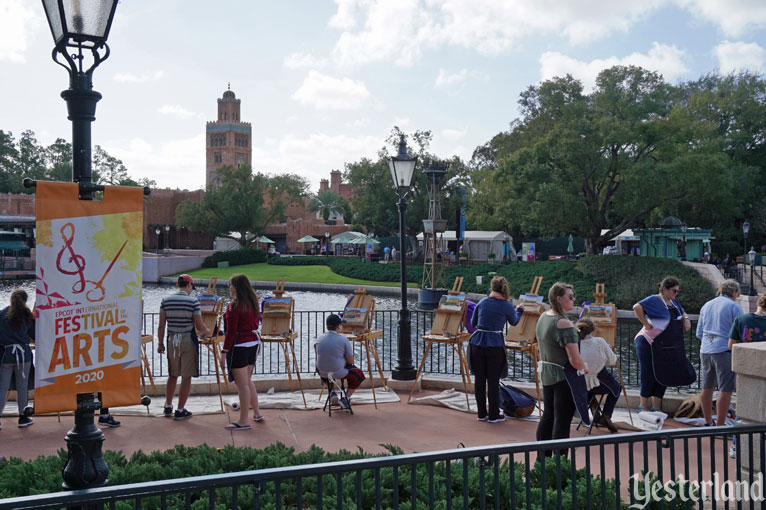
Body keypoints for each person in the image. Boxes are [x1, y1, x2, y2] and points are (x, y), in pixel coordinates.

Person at [536, 282, 588, 444]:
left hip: (547, 374)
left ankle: (542, 459)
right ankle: (560, 462)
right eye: (570, 297)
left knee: (549, 415)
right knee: (562, 420)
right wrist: (585, 367)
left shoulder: (544, 317)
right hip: (564, 377)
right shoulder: (564, 324)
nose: (574, 300)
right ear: (559, 299)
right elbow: (575, 360)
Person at [632, 277, 692, 412]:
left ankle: (656, 406)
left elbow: (682, 312)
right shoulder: (654, 299)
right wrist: (646, 324)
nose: (676, 294)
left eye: (677, 291)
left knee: (664, 373)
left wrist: (686, 319)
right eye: (674, 291)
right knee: (648, 372)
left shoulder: (674, 302)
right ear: (665, 289)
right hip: (647, 341)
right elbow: (637, 307)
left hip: (664, 344)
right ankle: (643, 404)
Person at [470, 276, 524, 423]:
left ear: (492, 287)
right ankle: (494, 415)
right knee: (493, 381)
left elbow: (473, 323)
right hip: (494, 344)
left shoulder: (482, 302)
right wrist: (519, 310)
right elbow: (514, 321)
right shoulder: (506, 305)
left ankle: (481, 413)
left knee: (479, 380)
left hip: (477, 343)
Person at [157, 274, 211, 420]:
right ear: (188, 285)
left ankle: (168, 406)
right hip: (188, 339)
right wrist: (209, 331)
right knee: (186, 377)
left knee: (172, 375)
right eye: (191, 287)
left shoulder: (165, 300)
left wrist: (160, 344)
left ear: (177, 285)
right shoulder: (193, 302)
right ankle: (180, 410)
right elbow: (199, 325)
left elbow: (161, 325)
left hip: (171, 340)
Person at [219, 274, 263, 430]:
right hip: (253, 343)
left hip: (239, 346)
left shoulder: (234, 306)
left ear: (235, 287)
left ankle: (244, 420)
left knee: (242, 384)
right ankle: (256, 413)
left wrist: (224, 352)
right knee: (247, 380)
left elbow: (231, 332)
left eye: (230, 285)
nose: (228, 288)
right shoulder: (253, 303)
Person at [696, 280, 742, 426]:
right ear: (734, 292)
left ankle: (708, 422)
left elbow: (699, 332)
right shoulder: (734, 306)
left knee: (707, 387)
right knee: (726, 388)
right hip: (723, 349)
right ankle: (720, 425)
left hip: (705, 348)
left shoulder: (706, 305)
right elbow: (741, 330)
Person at [576, 318, 619, 432]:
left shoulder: (575, 344)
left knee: (588, 387)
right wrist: (611, 352)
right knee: (617, 388)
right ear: (592, 329)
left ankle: (594, 409)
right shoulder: (599, 341)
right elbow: (612, 361)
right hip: (599, 382)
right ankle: (606, 415)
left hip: (580, 384)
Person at [315, 314, 365, 410]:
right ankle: (346, 398)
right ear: (339, 326)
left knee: (325, 368)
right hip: (337, 372)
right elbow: (350, 361)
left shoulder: (319, 338)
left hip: (322, 372)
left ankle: (332, 391)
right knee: (358, 374)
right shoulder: (343, 339)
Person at [0, 289, 35, 429]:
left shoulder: (2, 315)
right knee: (22, 388)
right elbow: (35, 335)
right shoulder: (27, 316)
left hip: (6, 355)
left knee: (2, 389)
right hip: (23, 355)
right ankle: (23, 417)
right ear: (25, 301)